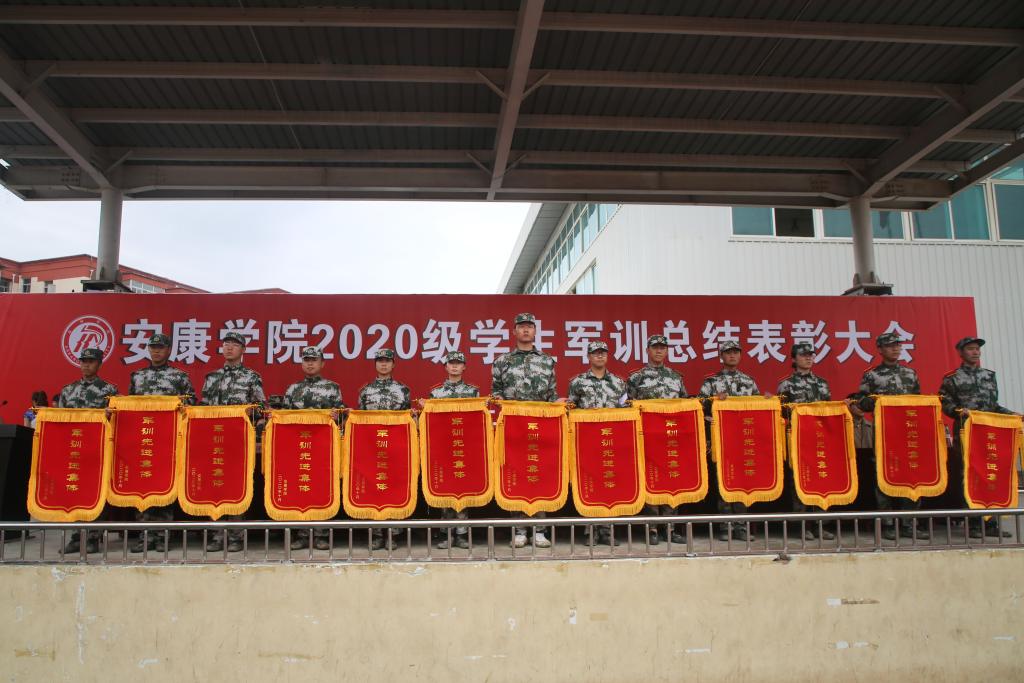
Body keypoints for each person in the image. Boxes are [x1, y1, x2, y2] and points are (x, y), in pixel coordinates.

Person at [491, 312, 558, 549]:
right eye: (521, 326)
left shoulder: (547, 361)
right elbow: (496, 392)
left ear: (535, 331)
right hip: (514, 426)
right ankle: (519, 529)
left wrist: (557, 405)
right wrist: (502, 402)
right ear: (514, 331)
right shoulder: (502, 361)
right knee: (517, 473)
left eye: (530, 326)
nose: (526, 330)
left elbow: (551, 395)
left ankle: (540, 529)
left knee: (540, 472)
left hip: (540, 426)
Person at [939, 336, 1016, 538]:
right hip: (967, 432)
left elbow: (994, 406)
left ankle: (990, 523)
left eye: (977, 349)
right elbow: (944, 403)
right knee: (969, 475)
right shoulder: (952, 378)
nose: (975, 352)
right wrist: (958, 411)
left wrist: (1013, 415)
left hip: (989, 433)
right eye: (971, 349)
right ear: (961, 353)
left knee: (990, 473)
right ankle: (973, 524)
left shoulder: (988, 375)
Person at [856, 332, 928, 540]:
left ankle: (909, 523)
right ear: (880, 349)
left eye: (898, 345)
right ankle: (887, 524)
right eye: (890, 345)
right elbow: (861, 402)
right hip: (885, 434)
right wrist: (878, 401)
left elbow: (918, 401)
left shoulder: (910, 373)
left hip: (908, 433)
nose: (895, 348)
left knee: (911, 475)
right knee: (884, 475)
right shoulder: (872, 375)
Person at [128, 333, 196, 553]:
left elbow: (190, 405)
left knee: (165, 486)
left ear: (169, 350)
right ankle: (144, 535)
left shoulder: (179, 377)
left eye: (161, 347)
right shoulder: (137, 376)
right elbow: (130, 406)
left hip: (168, 441)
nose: (156, 351)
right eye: (153, 347)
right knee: (143, 486)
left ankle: (162, 536)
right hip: (143, 440)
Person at [200, 332, 266, 553]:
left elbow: (261, 409)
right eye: (226, 344)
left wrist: (249, 412)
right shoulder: (212, 377)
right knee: (215, 486)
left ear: (243, 350)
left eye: (235, 345)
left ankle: (236, 536)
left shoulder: (251, 377)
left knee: (236, 486)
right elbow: (202, 408)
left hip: (238, 441)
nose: (229, 347)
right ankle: (217, 535)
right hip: (214, 440)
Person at [626, 334, 687, 544]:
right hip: (648, 438)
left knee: (672, 479)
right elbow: (628, 406)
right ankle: (651, 528)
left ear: (667, 351)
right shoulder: (636, 378)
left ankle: (670, 528)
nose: (659, 351)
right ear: (647, 351)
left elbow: (684, 405)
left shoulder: (676, 377)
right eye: (655, 347)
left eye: (662, 347)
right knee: (650, 480)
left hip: (671, 437)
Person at [283, 346, 346, 551]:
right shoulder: (292, 389)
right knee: (300, 487)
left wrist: (338, 416)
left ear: (322, 363)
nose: (310, 363)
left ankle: (321, 534)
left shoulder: (332, 388)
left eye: (314, 360)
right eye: (306, 360)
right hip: (298, 447)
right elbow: (283, 417)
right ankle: (301, 534)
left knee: (321, 487)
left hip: (323, 448)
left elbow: (342, 417)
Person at [698, 340, 760, 542]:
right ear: (721, 356)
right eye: (728, 352)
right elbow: (699, 407)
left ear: (740, 355)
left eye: (735, 352)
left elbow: (758, 408)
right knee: (723, 481)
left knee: (743, 481)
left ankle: (741, 526)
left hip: (743, 439)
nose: (732, 355)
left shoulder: (749, 382)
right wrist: (713, 403)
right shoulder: (711, 382)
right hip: (721, 441)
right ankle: (725, 526)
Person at [568, 340, 628, 546]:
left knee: (610, 484)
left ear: (607, 356)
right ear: (589, 356)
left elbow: (626, 412)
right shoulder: (578, 382)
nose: (600, 356)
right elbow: (570, 409)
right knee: (589, 484)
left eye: (603, 352)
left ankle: (608, 530)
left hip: (612, 442)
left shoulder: (619, 383)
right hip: (587, 443)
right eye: (595, 353)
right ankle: (591, 530)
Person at [58, 348, 118, 554]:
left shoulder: (109, 390)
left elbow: (117, 421)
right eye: (83, 361)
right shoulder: (68, 390)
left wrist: (108, 415)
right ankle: (76, 537)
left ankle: (93, 537)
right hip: (75, 451)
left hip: (98, 450)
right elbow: (60, 420)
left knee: (96, 493)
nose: (86, 364)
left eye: (91, 361)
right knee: (75, 491)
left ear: (99, 364)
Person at [419, 351, 479, 550]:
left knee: (463, 490)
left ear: (464, 367)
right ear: (445, 367)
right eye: (451, 363)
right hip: (444, 448)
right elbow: (431, 422)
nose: (454, 366)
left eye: (458, 363)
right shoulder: (436, 393)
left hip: (464, 447)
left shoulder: (473, 392)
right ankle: (446, 534)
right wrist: (425, 408)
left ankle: (462, 534)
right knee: (445, 490)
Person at [776, 342, 835, 540]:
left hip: (819, 439)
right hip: (798, 439)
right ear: (794, 359)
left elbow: (828, 411)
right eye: (803, 355)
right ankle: (803, 526)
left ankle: (820, 524)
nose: (808, 358)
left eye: (811, 355)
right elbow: (781, 413)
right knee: (799, 481)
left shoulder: (822, 383)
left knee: (821, 479)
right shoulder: (786, 384)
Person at [358, 348, 412, 550]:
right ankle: (376, 534)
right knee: (374, 488)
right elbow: (360, 421)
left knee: (394, 488)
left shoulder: (403, 390)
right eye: (380, 360)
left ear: (393, 364)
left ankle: (393, 534)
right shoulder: (365, 390)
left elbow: (407, 419)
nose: (383, 364)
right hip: (372, 448)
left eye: (387, 361)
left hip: (395, 448)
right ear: (375, 364)